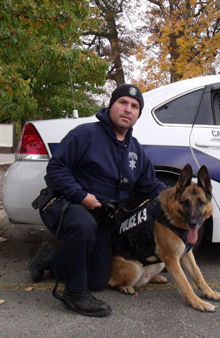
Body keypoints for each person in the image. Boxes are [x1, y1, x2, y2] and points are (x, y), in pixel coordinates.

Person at [29, 84, 166, 317]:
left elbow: (151, 187)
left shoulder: (137, 151)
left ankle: (51, 257)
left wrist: (184, 195)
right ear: (111, 105)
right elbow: (56, 168)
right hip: (66, 204)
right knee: (84, 224)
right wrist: (82, 196)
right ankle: (73, 295)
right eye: (123, 102)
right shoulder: (85, 134)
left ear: (138, 115)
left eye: (134, 107)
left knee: (97, 279)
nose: (128, 109)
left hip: (103, 218)